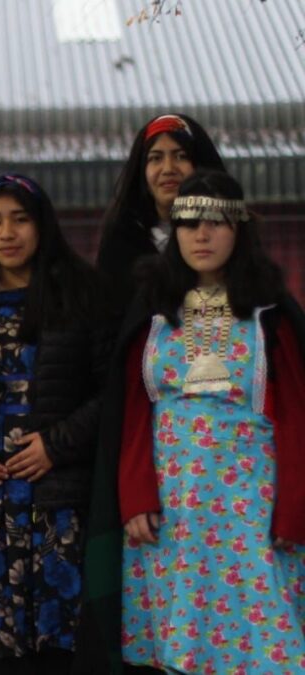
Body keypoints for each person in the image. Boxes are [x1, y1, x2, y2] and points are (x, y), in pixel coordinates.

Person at [80, 170, 305, 675]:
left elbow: (296, 417)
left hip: (255, 509)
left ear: (240, 230)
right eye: (188, 224)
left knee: (266, 643)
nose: (201, 235)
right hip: (175, 511)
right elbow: (135, 414)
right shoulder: (154, 313)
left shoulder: (271, 315)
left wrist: (294, 510)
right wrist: (136, 497)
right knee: (183, 645)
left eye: (215, 223)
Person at [0, 174, 110, 675]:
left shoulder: (82, 294)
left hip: (57, 506)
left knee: (64, 651)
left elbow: (112, 391)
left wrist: (57, 445)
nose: (7, 233)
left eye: (20, 219)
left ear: (42, 227)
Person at [96, 113, 225, 308]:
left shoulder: (230, 233)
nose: (168, 169)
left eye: (180, 156)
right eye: (156, 158)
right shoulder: (120, 241)